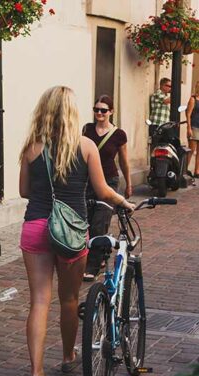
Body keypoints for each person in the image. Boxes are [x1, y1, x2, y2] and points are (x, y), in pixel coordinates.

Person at [18, 86, 134, 376]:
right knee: (68, 299)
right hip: (70, 229)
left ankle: (37, 371)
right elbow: (103, 191)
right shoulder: (85, 147)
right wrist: (123, 201)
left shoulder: (31, 147)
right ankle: (69, 355)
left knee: (39, 300)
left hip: (36, 225)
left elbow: (24, 191)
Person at [82, 95, 132, 281]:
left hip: (109, 181)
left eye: (103, 110)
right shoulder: (87, 130)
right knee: (85, 220)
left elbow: (124, 161)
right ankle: (102, 252)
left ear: (111, 111)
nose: (99, 113)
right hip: (88, 181)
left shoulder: (119, 135)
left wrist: (128, 183)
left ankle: (92, 267)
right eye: (96, 110)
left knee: (99, 222)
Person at [185, 81, 199, 178]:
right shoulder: (193, 99)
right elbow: (188, 114)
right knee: (191, 149)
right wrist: (188, 127)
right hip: (194, 126)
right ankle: (184, 169)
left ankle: (197, 171)